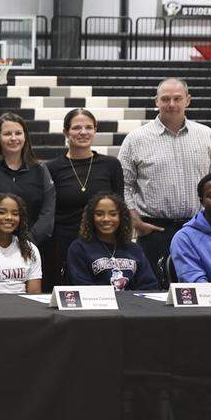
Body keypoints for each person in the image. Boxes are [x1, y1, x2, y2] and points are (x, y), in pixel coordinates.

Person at [119, 78, 211, 269]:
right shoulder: (136, 139)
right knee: (154, 285)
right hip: (154, 230)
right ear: (156, 101)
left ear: (188, 100)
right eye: (165, 99)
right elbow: (123, 184)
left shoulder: (207, 135)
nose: (171, 104)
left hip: (199, 228)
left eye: (177, 98)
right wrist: (135, 221)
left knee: (199, 283)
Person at [42, 108, 124, 291]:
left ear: (95, 130)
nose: (83, 132)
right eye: (76, 128)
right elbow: (47, 211)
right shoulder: (51, 168)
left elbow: (120, 208)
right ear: (66, 132)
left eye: (88, 127)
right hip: (62, 243)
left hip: (101, 243)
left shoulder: (111, 165)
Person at [0, 113, 55, 245]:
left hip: (31, 246)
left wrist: (26, 244)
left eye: (18, 133)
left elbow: (48, 212)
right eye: (7, 134)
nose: (13, 138)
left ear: (25, 136)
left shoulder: (40, 169)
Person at [65, 193, 158, 291]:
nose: (106, 219)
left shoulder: (134, 249)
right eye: (99, 214)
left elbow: (149, 286)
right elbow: (81, 286)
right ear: (91, 217)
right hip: (97, 300)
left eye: (113, 214)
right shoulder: (79, 248)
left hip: (133, 300)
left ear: (121, 217)